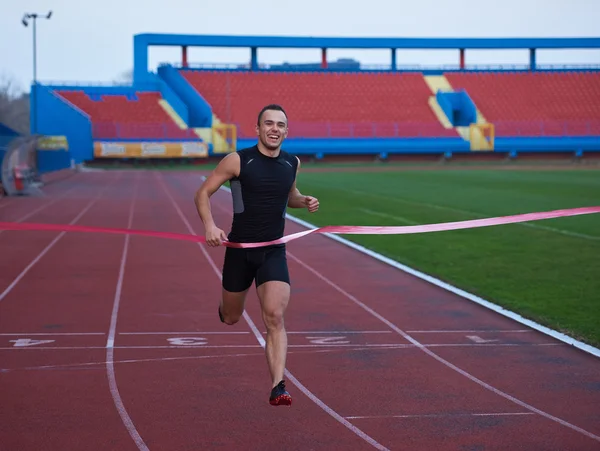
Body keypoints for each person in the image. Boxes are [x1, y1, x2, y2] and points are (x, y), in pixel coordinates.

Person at [194, 104, 319, 406]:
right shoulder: (239, 160)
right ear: (258, 128)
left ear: (287, 131)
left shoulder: (292, 163)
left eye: (280, 125)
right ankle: (225, 309)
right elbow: (202, 193)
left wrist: (305, 200)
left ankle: (278, 386)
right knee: (232, 318)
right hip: (239, 251)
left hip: (273, 251)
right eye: (269, 124)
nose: (275, 129)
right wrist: (210, 226)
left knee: (274, 316)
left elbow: (289, 197)